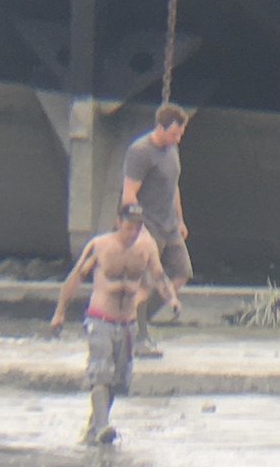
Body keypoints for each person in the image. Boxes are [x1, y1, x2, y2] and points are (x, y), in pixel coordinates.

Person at [51, 203, 181, 444]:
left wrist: (172, 299)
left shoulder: (146, 246)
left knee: (117, 380)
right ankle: (102, 427)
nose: (132, 232)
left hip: (127, 322)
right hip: (100, 318)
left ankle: (95, 425)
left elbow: (158, 275)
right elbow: (76, 277)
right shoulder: (100, 246)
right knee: (100, 373)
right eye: (129, 226)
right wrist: (60, 312)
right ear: (119, 222)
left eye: (137, 227)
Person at [120, 102, 190, 358]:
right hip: (148, 225)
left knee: (181, 273)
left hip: (169, 225)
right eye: (174, 133)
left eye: (180, 133)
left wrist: (180, 220)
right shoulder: (140, 152)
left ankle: (133, 322)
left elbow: (174, 186)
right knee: (147, 283)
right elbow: (129, 196)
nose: (178, 138)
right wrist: (140, 231)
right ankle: (138, 337)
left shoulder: (172, 149)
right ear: (160, 127)